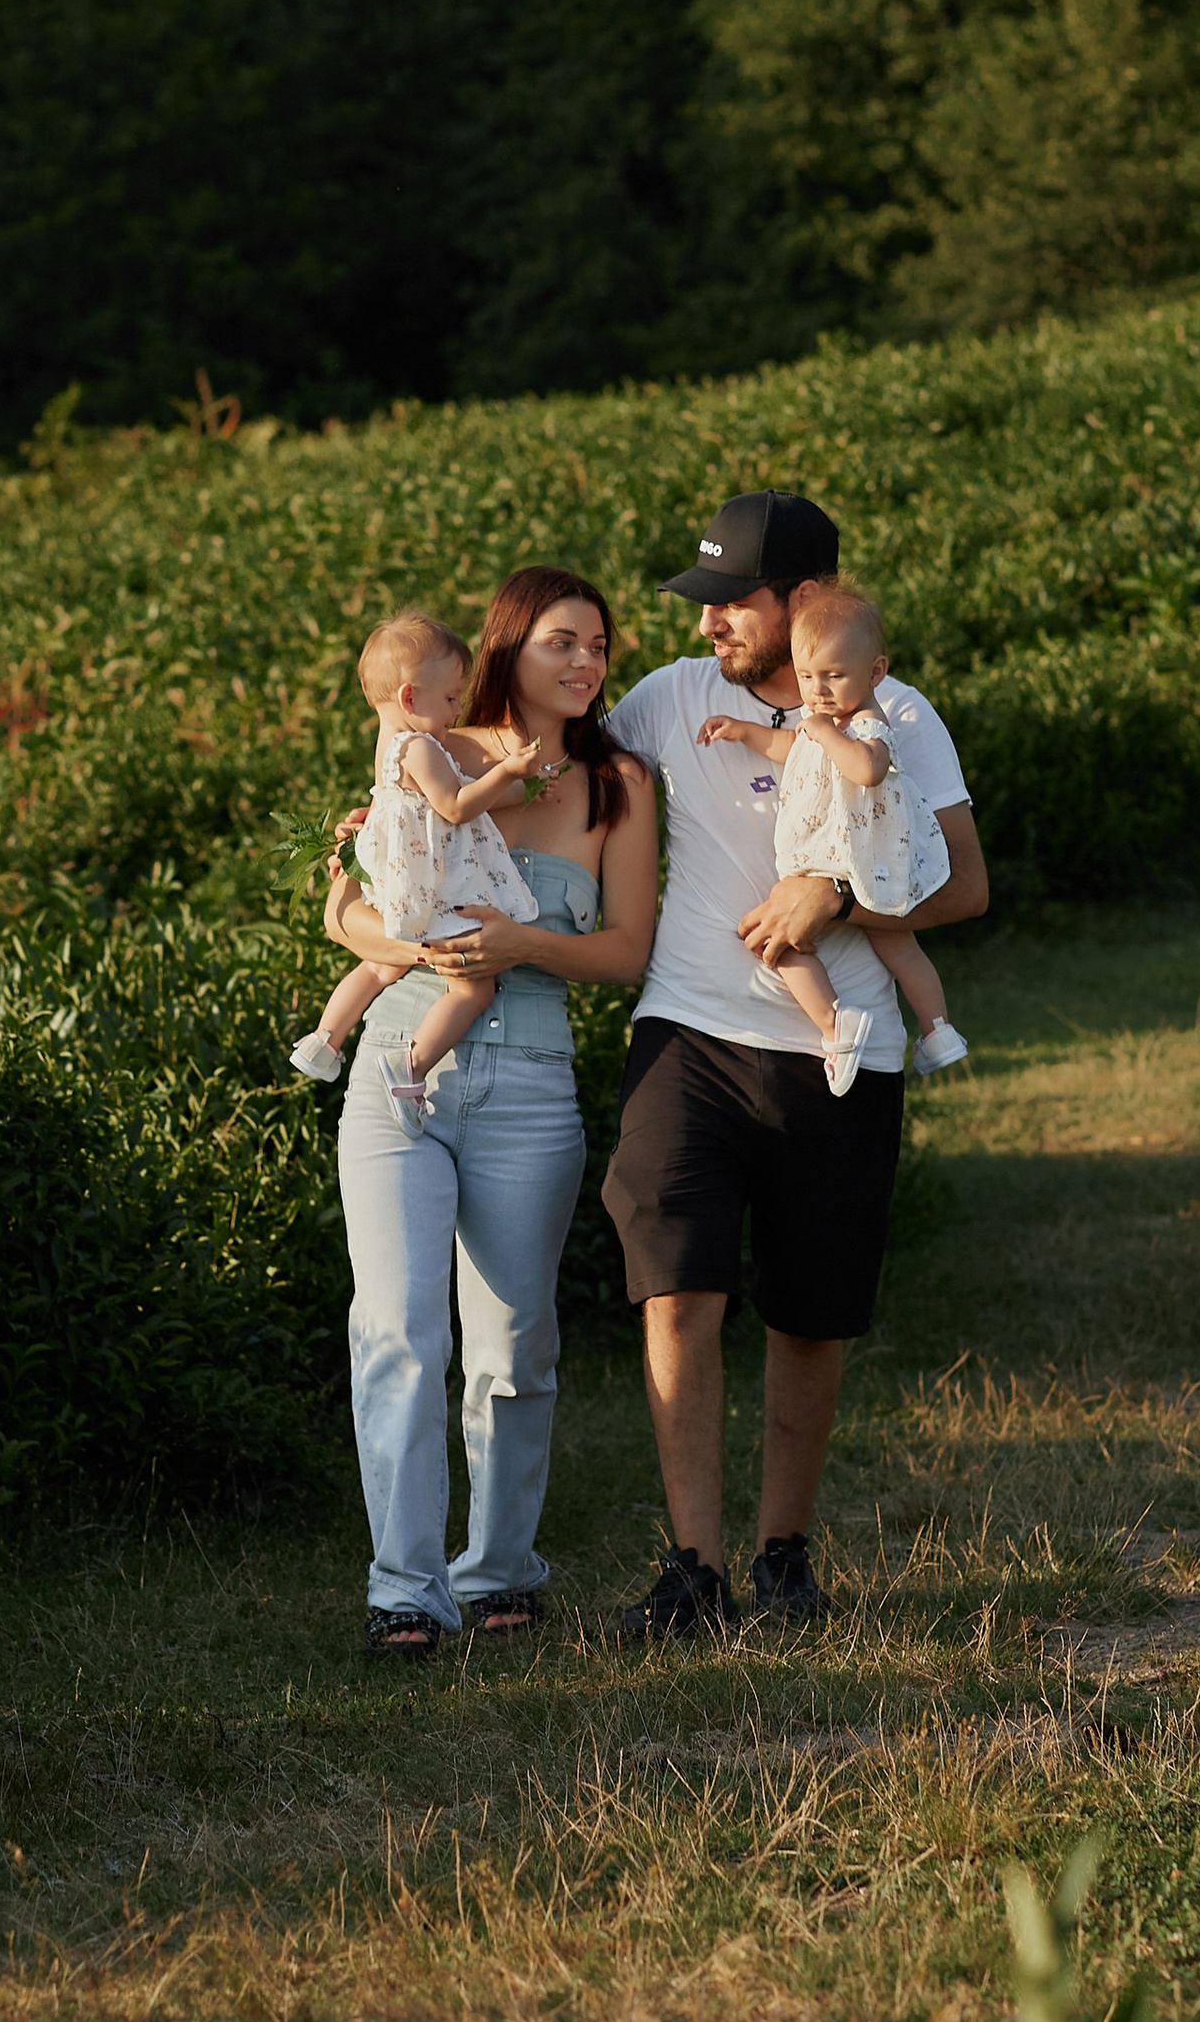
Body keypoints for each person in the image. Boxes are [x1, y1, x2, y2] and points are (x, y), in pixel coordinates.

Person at [602, 489, 987, 1637]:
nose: (708, 622)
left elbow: (965, 886)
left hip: (839, 1054)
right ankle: (692, 1570)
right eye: (703, 601)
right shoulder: (670, 697)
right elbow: (559, 779)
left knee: (809, 1319)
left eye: (733, 601)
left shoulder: (896, 715)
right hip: (687, 1033)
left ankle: (783, 1558)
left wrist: (838, 901)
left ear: (802, 599)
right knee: (676, 1290)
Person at [319, 567, 658, 1657]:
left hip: (529, 1089)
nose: (586, 662)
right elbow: (359, 909)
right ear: (508, 646)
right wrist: (379, 931)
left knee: (515, 1346)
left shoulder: (618, 784)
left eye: (598, 645)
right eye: (563, 641)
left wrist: (522, 945)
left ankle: (500, 1567)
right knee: (397, 1333)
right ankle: (403, 1590)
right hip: (399, 1069)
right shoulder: (430, 746)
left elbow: (627, 951)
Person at [695, 581, 967, 1096]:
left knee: (784, 940)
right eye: (806, 677)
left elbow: (868, 769)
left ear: (875, 673)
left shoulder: (867, 721)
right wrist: (744, 731)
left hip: (845, 856)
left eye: (833, 676)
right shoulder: (822, 719)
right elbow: (789, 746)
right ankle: (917, 1030)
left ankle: (887, 1026)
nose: (817, 691)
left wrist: (824, 732)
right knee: (879, 944)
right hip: (839, 855)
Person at [289, 610, 542, 1121]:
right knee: (474, 987)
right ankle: (411, 1067)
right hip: (432, 884)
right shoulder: (420, 748)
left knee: (381, 964)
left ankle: (325, 1037)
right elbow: (457, 806)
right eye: (450, 699)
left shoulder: (392, 743)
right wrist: (510, 771)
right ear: (410, 698)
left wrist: (525, 786)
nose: (457, 710)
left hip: (401, 878)